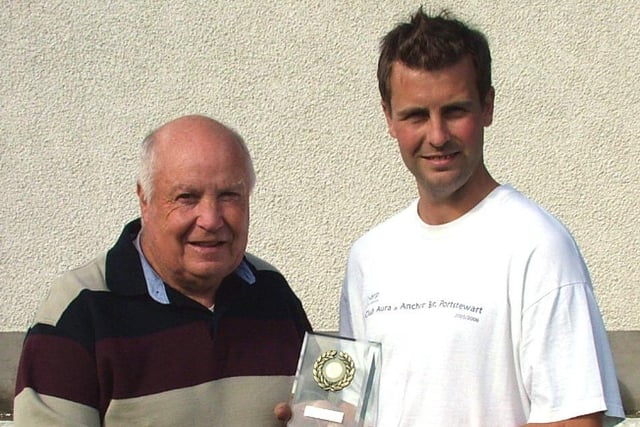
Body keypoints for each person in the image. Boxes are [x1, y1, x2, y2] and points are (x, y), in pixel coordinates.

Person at [338, 8, 625, 427]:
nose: (437, 136)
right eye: (416, 115)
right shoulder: (369, 256)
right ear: (389, 119)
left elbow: (575, 420)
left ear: (487, 107)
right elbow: (350, 409)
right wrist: (313, 414)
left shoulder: (537, 245)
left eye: (455, 111)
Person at [14, 114, 312, 426]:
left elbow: (326, 407)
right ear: (145, 200)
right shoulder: (79, 312)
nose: (211, 219)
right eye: (187, 197)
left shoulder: (272, 292)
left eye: (228, 195)